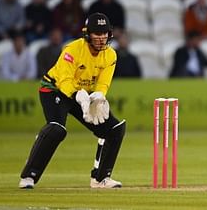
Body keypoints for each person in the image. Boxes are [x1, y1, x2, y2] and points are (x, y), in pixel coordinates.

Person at [19, 13, 126, 189]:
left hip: (84, 94)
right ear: (87, 34)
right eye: (97, 34)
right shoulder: (72, 50)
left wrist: (99, 96)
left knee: (114, 129)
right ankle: (28, 176)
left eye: (104, 33)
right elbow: (64, 80)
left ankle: (100, 179)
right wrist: (77, 94)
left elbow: (103, 82)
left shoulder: (110, 55)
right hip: (54, 88)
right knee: (56, 129)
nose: (101, 38)